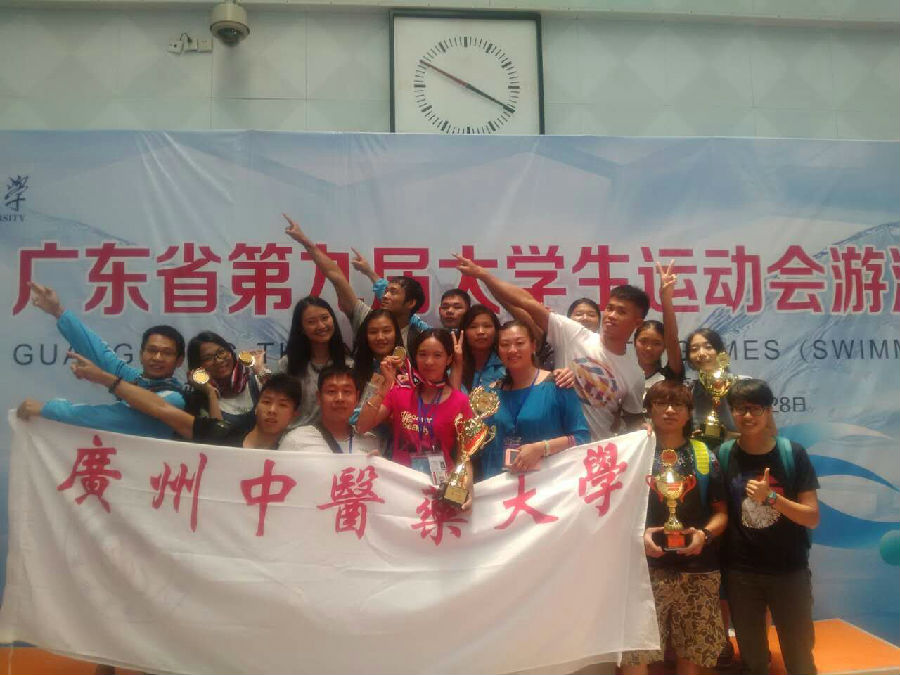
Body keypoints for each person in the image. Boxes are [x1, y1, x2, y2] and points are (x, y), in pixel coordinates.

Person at [455, 255, 647, 441]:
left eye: (621, 312)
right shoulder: (574, 334)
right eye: (610, 308)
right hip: (556, 447)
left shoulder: (635, 374)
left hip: (596, 454)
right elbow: (526, 302)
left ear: (637, 322)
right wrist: (483, 275)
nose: (611, 315)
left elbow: (633, 420)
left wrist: (643, 428)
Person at [620, 380, 728, 675]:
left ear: (689, 412)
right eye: (661, 403)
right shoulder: (633, 453)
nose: (670, 410)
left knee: (691, 654)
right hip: (643, 570)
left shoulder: (704, 455)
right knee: (634, 654)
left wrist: (703, 535)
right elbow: (614, 511)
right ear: (649, 410)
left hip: (697, 569)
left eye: (678, 404)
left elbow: (721, 513)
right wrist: (637, 536)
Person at [719, 379, 819, 675]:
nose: (748, 415)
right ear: (732, 412)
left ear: (768, 411)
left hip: (789, 571)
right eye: (740, 409)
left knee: (800, 658)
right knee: (753, 660)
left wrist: (772, 498)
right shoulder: (724, 455)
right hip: (741, 573)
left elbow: (811, 517)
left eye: (756, 408)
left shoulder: (793, 453)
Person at [17, 281, 186, 439]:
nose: (157, 358)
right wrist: (58, 311)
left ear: (179, 361)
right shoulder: (136, 379)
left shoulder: (174, 399)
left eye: (167, 353)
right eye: (152, 350)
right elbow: (100, 354)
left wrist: (49, 409)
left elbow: (113, 418)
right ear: (141, 354)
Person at [66, 350, 302, 449]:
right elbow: (161, 408)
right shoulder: (221, 434)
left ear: (295, 415)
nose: (272, 410)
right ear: (256, 406)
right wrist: (105, 379)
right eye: (266, 401)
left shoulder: (296, 454)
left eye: (282, 405)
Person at [356, 329, 474, 508]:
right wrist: (386, 385)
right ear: (414, 357)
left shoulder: (461, 401)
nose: (429, 361)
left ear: (449, 359)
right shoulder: (399, 393)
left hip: (440, 489)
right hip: (400, 486)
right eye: (422, 354)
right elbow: (362, 426)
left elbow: (464, 457)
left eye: (437, 355)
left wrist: (467, 487)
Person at [284, 215, 426, 348]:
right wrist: (305, 242)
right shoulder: (365, 318)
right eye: (373, 332)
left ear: (411, 303)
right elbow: (337, 278)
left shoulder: (421, 339)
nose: (385, 295)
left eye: (393, 292)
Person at [478, 321, 589, 479]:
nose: (512, 350)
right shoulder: (489, 394)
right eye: (505, 344)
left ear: (533, 346)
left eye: (520, 343)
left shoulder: (558, 384)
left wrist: (542, 448)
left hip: (546, 483)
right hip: (500, 485)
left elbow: (581, 438)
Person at [274, 296, 351, 427]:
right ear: (301, 328)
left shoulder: (348, 365)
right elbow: (277, 403)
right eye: (311, 322)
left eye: (325, 318)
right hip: (296, 435)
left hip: (335, 435)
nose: (321, 326)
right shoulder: (288, 364)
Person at [280, 364, 380, 454]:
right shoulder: (296, 440)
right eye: (331, 391)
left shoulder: (370, 442)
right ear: (319, 397)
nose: (340, 398)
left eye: (347, 391)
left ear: (357, 398)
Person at [184, 331, 267, 431]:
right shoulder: (198, 402)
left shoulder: (257, 382)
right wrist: (211, 393)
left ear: (230, 352)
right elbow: (218, 435)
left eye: (221, 352)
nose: (219, 360)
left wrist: (260, 370)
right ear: (198, 367)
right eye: (208, 358)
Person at [685, 327, 739, 447]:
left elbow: (766, 432)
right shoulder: (689, 392)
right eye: (694, 349)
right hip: (703, 456)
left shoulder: (742, 385)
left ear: (720, 352)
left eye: (708, 347)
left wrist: (724, 435)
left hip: (736, 454)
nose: (701, 353)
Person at [636, 261, 684, 390]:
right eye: (643, 341)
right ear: (634, 342)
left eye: (657, 343)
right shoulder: (624, 376)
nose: (648, 348)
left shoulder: (670, 376)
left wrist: (665, 299)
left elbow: (672, 340)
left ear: (664, 347)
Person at [450, 304, 505, 393]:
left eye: (487, 326)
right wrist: (457, 364)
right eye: (473, 327)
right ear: (463, 332)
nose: (480, 332)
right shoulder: (450, 364)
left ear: (496, 330)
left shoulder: (507, 364)